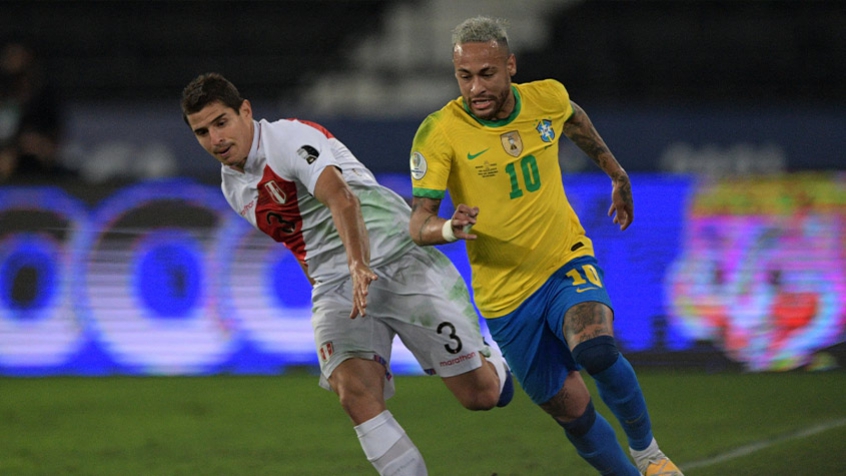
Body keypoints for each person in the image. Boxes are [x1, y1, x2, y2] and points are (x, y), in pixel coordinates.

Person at [181, 72, 512, 476]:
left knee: (480, 396)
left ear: (245, 111)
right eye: (202, 132)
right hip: (338, 288)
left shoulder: (288, 140)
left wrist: (358, 265)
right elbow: (299, 243)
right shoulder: (234, 187)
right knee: (354, 392)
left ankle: (495, 361)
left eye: (221, 122)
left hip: (394, 259)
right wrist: (328, 281)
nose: (215, 139)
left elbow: (343, 198)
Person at [408, 16, 683, 476]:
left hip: (563, 260)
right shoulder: (439, 132)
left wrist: (616, 173)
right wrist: (449, 230)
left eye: (487, 74)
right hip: (505, 296)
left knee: (595, 350)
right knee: (571, 410)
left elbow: (574, 119)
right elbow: (418, 224)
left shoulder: (546, 97)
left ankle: (650, 455)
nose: (475, 87)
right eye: (465, 76)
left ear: (510, 65)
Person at [0, 40, 71, 181]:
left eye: (17, 55)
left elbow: (54, 140)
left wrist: (34, 144)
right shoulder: (4, 94)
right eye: (8, 56)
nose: (11, 61)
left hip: (36, 162)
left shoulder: (44, 97)